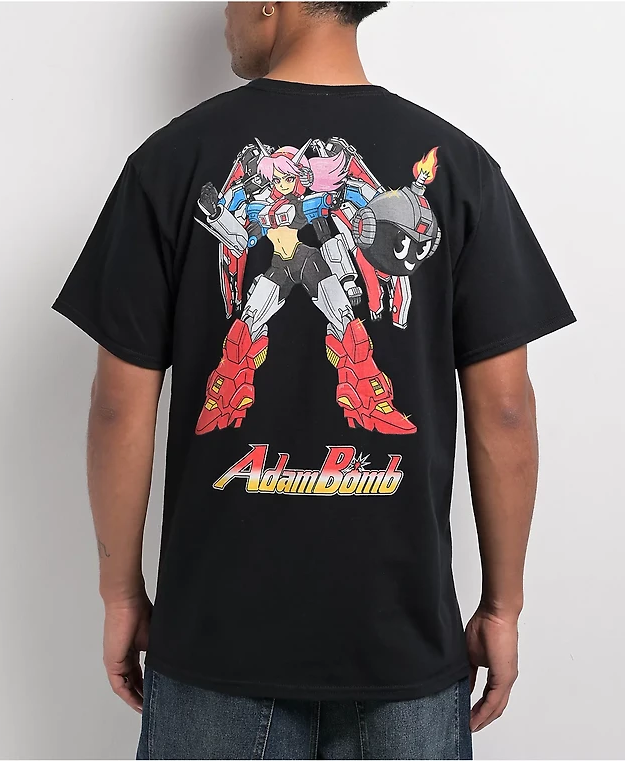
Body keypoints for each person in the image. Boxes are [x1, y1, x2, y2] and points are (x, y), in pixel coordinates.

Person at [51, 2, 576, 758]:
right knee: (279, 302)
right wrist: (503, 606)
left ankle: (308, 384)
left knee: (320, 301)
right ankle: (313, 385)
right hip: (402, 641)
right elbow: (506, 411)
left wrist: (119, 592)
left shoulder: (170, 159)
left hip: (216, 637)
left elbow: (116, 408)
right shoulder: (461, 167)